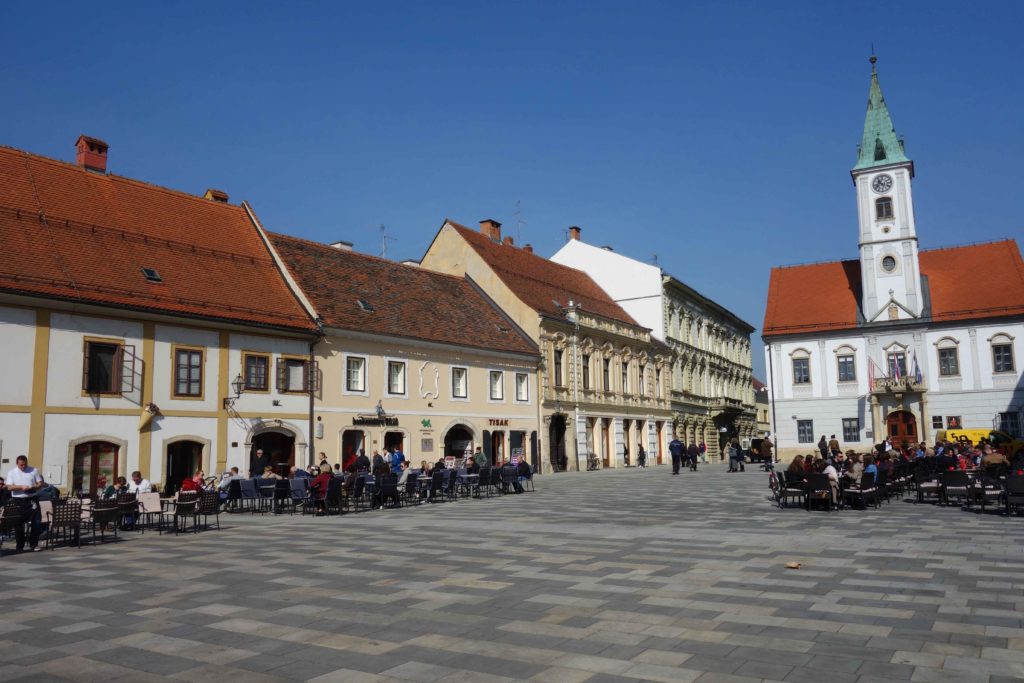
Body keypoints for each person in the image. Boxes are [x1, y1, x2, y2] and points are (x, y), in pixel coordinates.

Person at [6, 455, 44, 551]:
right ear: (17, 463)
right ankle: (20, 545)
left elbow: (40, 483)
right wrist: (21, 487)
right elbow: (9, 487)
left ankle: (34, 544)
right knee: (18, 524)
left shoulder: (33, 470)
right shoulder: (12, 473)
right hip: (18, 500)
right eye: (21, 465)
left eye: (25, 464)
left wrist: (34, 487)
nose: (23, 466)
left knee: (37, 522)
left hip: (32, 498)